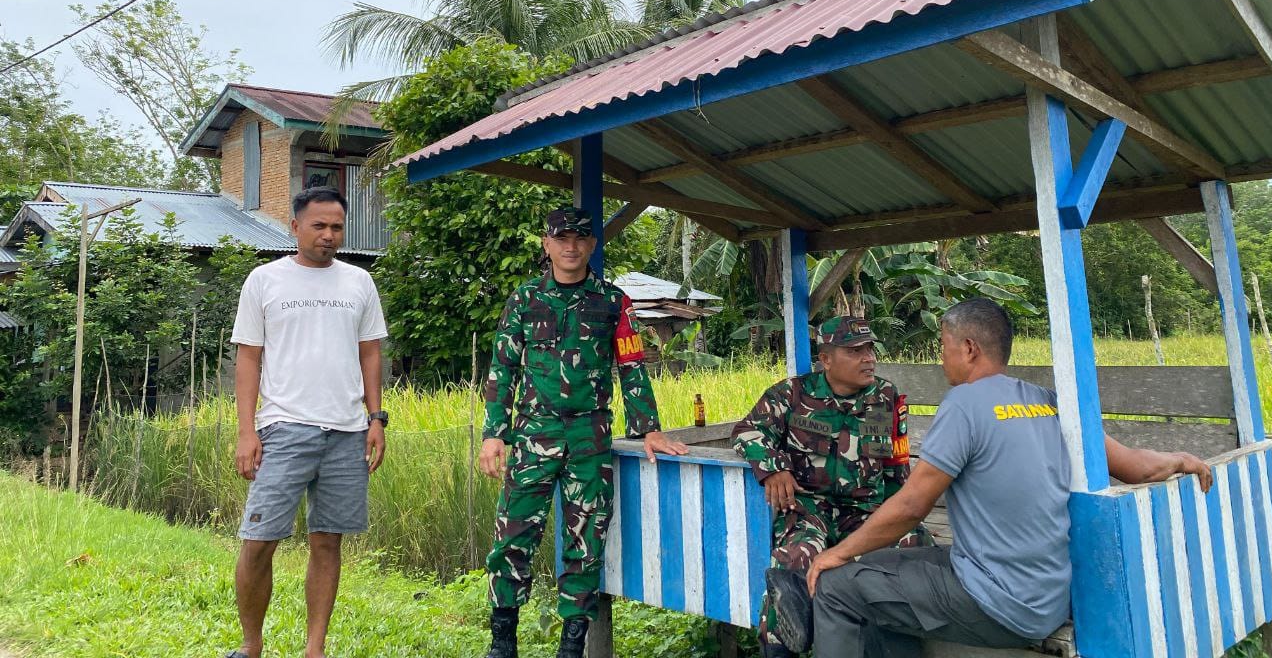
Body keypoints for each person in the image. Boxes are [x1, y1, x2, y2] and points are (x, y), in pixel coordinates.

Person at [766, 297, 1214, 658]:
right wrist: (1180, 458)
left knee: (836, 586)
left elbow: (912, 506)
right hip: (1043, 594)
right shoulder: (1046, 400)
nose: (941, 358)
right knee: (881, 567)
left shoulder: (963, 405)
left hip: (995, 601)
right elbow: (1135, 466)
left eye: (943, 346)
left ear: (969, 349)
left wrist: (834, 555)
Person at [477, 206, 689, 658]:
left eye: (579, 239)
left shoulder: (613, 302)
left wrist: (648, 429)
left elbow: (632, 365)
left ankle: (572, 646)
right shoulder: (525, 299)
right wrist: (494, 433)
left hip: (589, 439)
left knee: (586, 541)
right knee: (512, 535)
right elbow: (503, 367)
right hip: (533, 436)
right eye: (562, 238)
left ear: (592, 245)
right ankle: (502, 641)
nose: (570, 247)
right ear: (547, 244)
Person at [224, 187, 389, 658]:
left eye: (336, 226)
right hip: (283, 428)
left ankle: (314, 649)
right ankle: (251, 645)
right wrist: (246, 431)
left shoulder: (359, 282)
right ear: (295, 227)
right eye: (318, 226)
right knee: (259, 540)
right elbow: (248, 358)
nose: (328, 235)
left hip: (347, 432)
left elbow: (370, 353)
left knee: (327, 542)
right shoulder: (264, 280)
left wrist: (376, 419)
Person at [732, 316, 925, 658]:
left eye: (870, 349)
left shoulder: (885, 396)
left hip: (866, 511)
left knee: (914, 547)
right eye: (855, 351)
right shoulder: (792, 394)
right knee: (793, 559)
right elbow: (746, 431)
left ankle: (896, 642)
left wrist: (902, 517)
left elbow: (896, 465)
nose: (868, 358)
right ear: (826, 359)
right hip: (810, 510)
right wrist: (774, 467)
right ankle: (779, 649)